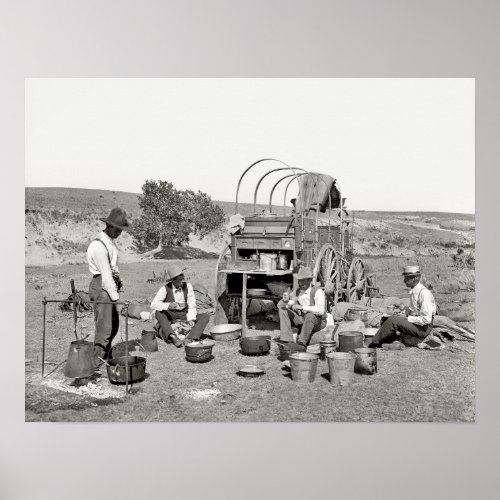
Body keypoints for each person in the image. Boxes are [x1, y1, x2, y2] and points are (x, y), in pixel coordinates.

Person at [87, 207, 129, 365]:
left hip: (110, 286)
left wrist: (120, 282)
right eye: (118, 230)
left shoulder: (109, 242)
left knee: (114, 325)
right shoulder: (98, 246)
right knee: (104, 328)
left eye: (121, 231)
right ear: (109, 226)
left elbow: (113, 268)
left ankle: (105, 356)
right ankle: (95, 361)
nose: (120, 233)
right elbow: (105, 276)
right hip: (102, 287)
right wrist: (117, 300)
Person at [369, 265, 436, 347]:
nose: (404, 280)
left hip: (423, 329)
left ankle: (373, 344)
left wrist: (407, 318)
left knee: (393, 320)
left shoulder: (424, 294)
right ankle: (387, 340)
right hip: (419, 325)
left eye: (406, 278)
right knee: (386, 318)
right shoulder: (414, 291)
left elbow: (426, 319)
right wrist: (402, 308)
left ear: (415, 278)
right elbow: (415, 311)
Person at [151, 265, 210, 347]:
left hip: (184, 315)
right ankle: (172, 336)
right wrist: (168, 305)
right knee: (158, 313)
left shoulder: (188, 287)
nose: (182, 282)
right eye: (180, 280)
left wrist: (191, 319)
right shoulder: (165, 289)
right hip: (170, 316)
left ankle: (190, 338)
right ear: (173, 280)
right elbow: (153, 304)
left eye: (183, 279)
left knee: (205, 316)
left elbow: (192, 304)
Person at [278, 266, 327, 346]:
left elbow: (321, 311)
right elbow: (281, 306)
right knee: (283, 310)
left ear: (310, 280)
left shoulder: (318, 292)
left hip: (318, 322)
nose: (300, 283)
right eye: (299, 281)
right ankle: (286, 340)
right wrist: (285, 300)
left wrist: (302, 307)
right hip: (302, 320)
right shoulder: (297, 291)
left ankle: (301, 343)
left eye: (303, 281)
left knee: (310, 316)